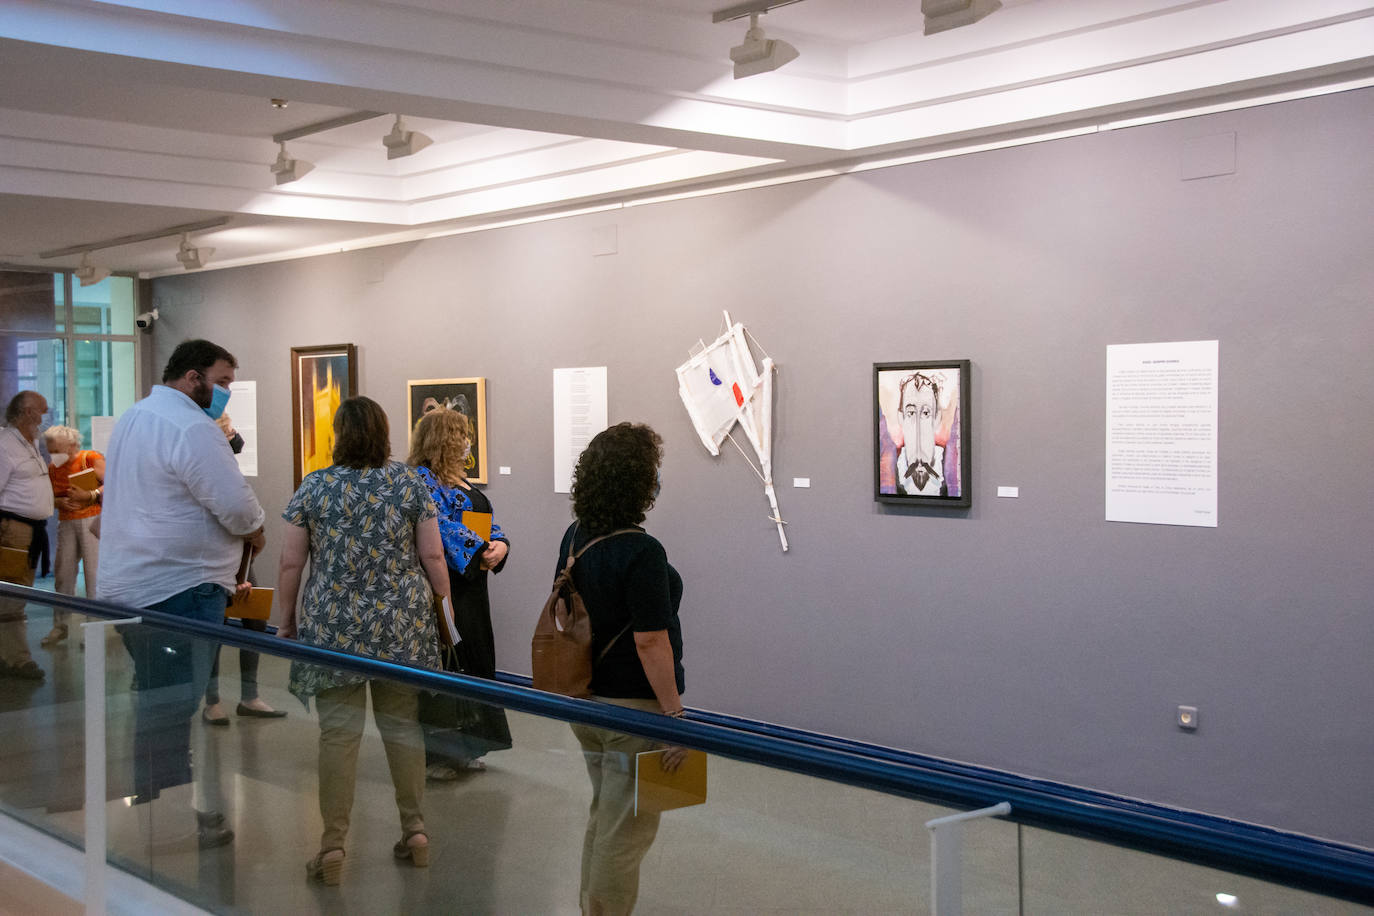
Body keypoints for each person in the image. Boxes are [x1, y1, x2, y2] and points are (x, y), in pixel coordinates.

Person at [99, 339, 266, 849]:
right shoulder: (192, 427)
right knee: (172, 707)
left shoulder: (135, 417)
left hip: (132, 587)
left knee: (155, 703)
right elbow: (237, 508)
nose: (225, 394)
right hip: (180, 588)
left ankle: (155, 803)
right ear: (192, 378)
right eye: (221, 383)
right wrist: (256, 530)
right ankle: (169, 814)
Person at [277, 396, 450, 886]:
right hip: (402, 626)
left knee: (338, 735)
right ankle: (415, 832)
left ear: (339, 434)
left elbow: (291, 564)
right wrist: (445, 616)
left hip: (333, 628)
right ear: (384, 432)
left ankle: (333, 846)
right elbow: (433, 557)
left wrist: (285, 624)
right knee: (402, 729)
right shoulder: (408, 483)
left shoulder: (316, 486)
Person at [559, 422, 686, 916]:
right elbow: (651, 641)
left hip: (586, 703)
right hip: (635, 711)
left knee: (605, 817)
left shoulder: (575, 536)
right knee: (627, 830)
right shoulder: (643, 552)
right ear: (639, 483)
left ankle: (591, 908)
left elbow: (567, 616)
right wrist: (673, 719)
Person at [406, 408, 511, 780]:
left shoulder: (462, 482)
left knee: (476, 663)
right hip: (444, 588)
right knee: (448, 664)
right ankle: (438, 755)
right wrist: (481, 549)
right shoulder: (420, 482)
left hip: (473, 590)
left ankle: (469, 747)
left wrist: (500, 544)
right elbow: (439, 527)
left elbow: (488, 524)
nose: (468, 441)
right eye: (462, 433)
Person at [202, 412, 285, 724]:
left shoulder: (225, 460)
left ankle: (249, 696)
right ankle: (212, 702)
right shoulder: (208, 463)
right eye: (229, 432)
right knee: (215, 627)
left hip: (240, 552)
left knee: (255, 622)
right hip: (216, 555)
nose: (234, 437)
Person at [0, 391, 54, 680]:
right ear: (27, 412)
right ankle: (18, 658)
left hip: (30, 531)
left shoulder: (29, 443)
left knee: (16, 593)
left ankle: (8, 654)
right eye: (42, 412)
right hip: (14, 531)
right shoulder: (6, 445)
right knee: (12, 593)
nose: (44, 418)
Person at [40, 424, 103, 646]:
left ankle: (94, 629)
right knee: (64, 575)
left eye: (56, 449)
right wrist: (59, 501)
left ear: (71, 445)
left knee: (93, 575)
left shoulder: (90, 458)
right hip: (67, 522)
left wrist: (92, 494)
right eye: (50, 449)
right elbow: (48, 496)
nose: (53, 454)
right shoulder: (52, 468)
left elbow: (111, 482)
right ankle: (60, 625)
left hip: (91, 520)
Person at [895, 371, 948, 497]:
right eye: (911, 413)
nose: (918, 426)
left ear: (937, 418)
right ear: (901, 418)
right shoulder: (889, 472)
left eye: (925, 413)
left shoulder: (952, 470)